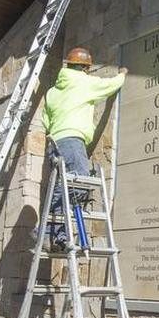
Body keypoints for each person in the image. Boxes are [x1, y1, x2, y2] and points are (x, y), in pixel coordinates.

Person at [40, 46, 126, 250]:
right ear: (85, 68)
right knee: (77, 184)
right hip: (72, 141)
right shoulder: (83, 82)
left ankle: (57, 235)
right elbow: (110, 85)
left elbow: (46, 120)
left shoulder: (52, 92)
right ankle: (46, 232)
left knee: (64, 186)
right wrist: (122, 74)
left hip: (55, 143)